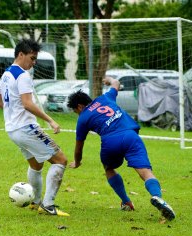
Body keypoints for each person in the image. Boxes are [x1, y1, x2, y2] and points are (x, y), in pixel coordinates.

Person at [66, 77, 176, 221]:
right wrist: (109, 80)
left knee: (109, 169)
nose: (77, 114)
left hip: (110, 141)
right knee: (145, 172)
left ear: (80, 106)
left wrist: (77, 161)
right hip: (130, 136)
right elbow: (116, 83)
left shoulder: (83, 118)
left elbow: (79, 147)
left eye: (76, 111)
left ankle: (126, 202)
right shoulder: (105, 97)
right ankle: (158, 198)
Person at [0, 39, 69, 216]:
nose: (34, 63)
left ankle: (35, 202)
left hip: (12, 130)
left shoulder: (6, 74)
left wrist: (13, 112)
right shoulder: (22, 75)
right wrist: (50, 120)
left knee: (36, 165)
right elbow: (27, 104)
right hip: (26, 128)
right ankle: (48, 205)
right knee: (61, 160)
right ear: (21, 54)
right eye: (32, 58)